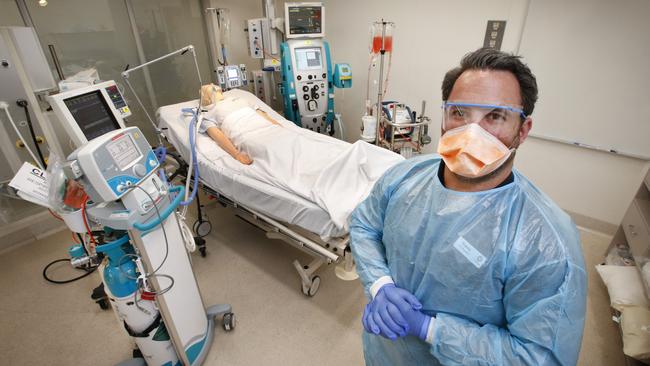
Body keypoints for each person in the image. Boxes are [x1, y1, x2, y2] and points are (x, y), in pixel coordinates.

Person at [349, 47, 587, 365]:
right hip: (383, 351)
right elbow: (365, 224)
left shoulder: (544, 243)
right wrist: (380, 285)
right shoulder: (407, 175)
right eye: (459, 112)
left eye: (495, 116)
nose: (471, 133)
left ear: (523, 130)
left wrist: (429, 329)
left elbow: (538, 357)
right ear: (445, 116)